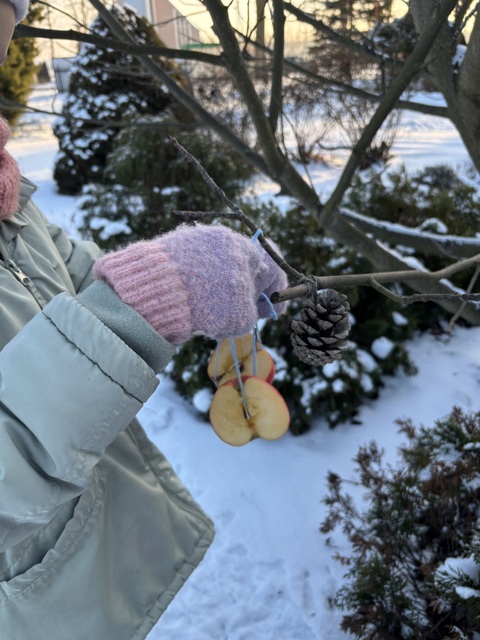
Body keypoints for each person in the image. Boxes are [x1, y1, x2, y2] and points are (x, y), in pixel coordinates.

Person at [0, 1, 289, 638]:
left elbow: (67, 281)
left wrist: (174, 276)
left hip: (87, 572)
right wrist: (143, 303)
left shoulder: (4, 192)